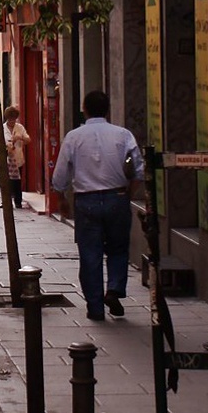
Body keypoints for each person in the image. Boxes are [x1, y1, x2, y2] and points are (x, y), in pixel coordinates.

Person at [50, 89, 144, 322]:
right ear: (107, 110)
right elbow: (139, 169)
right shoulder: (123, 135)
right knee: (118, 248)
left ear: (85, 109)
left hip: (87, 200)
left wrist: (61, 197)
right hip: (117, 197)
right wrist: (128, 193)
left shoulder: (74, 136)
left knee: (90, 254)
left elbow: (60, 173)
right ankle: (114, 289)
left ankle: (95, 307)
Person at [3, 105, 30, 210]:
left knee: (17, 182)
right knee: (6, 181)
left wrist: (20, 138)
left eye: (14, 119)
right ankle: (6, 201)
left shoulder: (20, 127)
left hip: (18, 158)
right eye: (10, 119)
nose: (12, 121)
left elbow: (28, 140)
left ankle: (18, 201)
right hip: (6, 159)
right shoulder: (3, 128)